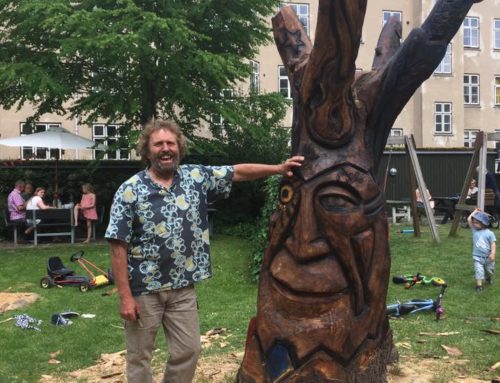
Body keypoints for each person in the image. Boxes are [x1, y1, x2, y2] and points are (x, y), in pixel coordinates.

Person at [105, 119, 304, 383]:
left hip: (182, 288)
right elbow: (118, 245)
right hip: (143, 290)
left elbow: (237, 172)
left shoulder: (195, 178)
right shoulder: (129, 190)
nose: (165, 149)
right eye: (158, 144)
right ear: (147, 150)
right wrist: (125, 297)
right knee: (140, 356)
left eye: (170, 143)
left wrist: (279, 169)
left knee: (189, 349)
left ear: (179, 147)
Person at [467, 209, 496, 292]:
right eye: (474, 222)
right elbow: (469, 219)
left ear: (483, 223)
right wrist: (475, 211)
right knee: (479, 271)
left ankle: (488, 277)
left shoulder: (490, 233)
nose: (474, 224)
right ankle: (479, 286)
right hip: (477, 256)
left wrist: (492, 253)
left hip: (488, 257)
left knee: (489, 271)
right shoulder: (474, 230)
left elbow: (493, 244)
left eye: (476, 222)